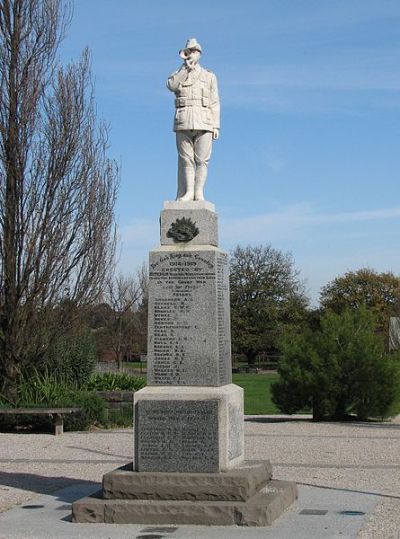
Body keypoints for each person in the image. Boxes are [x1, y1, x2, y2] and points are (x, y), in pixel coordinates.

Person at [167, 38, 220, 202]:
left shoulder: (209, 76)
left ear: (200, 54)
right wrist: (185, 69)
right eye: (188, 51)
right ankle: (188, 192)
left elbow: (215, 101)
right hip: (183, 120)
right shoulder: (179, 73)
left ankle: (199, 193)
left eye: (194, 51)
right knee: (186, 160)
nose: (190, 54)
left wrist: (216, 126)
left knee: (202, 160)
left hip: (204, 122)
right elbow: (171, 86)